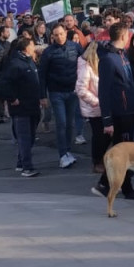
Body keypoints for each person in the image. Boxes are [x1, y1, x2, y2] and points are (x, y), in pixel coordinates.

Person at [95, 23, 134, 198]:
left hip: (129, 109)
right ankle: (124, 187)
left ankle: (106, 183)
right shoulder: (109, 59)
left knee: (124, 150)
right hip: (120, 112)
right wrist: (107, 120)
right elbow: (104, 90)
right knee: (124, 152)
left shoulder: (122, 55)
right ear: (124, 37)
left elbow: (130, 83)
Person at [40, 23, 83, 170]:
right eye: (56, 35)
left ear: (66, 33)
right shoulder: (48, 52)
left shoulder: (75, 47)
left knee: (70, 123)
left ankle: (68, 151)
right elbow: (42, 74)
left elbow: (84, 64)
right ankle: (62, 154)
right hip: (56, 91)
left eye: (61, 34)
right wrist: (42, 95)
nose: (59, 37)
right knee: (61, 122)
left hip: (72, 91)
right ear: (52, 36)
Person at [0, 37, 43, 177]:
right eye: (32, 44)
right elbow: (4, 83)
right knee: (24, 137)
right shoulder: (15, 63)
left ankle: (21, 162)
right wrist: (12, 98)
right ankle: (27, 167)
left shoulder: (29, 60)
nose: (34, 47)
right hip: (21, 106)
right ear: (25, 48)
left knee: (30, 136)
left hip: (32, 104)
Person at [75, 41, 102, 173]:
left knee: (103, 136)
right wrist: (96, 101)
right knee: (98, 136)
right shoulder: (86, 67)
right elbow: (80, 89)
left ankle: (100, 160)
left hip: (101, 107)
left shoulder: (98, 65)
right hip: (94, 108)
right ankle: (97, 162)